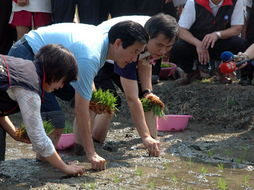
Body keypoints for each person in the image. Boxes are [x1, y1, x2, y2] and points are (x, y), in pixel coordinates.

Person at [8, 21, 149, 171]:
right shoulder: (91, 55)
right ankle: (46, 165)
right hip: (28, 55)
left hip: (55, 62)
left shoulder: (103, 45)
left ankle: (78, 150)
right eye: (135, 51)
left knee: (92, 103)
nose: (135, 59)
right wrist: (92, 154)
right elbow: (81, 111)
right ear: (118, 43)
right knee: (55, 120)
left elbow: (86, 98)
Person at [92, 14, 178, 146]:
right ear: (147, 36)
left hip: (124, 56)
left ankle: (154, 140)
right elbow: (131, 98)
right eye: (160, 45)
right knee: (109, 100)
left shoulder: (157, 37)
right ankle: (95, 142)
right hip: (100, 57)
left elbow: (146, 61)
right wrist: (144, 137)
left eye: (168, 47)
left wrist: (147, 91)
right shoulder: (133, 45)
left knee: (148, 99)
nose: (163, 51)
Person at [0, 44, 85, 176]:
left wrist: (14, 133)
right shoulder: (29, 86)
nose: (62, 86)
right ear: (56, 73)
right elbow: (38, 138)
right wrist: (65, 168)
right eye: (64, 81)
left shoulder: (25, 67)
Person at [170, 0, 246, 85]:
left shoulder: (236, 1)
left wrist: (217, 34)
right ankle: (189, 72)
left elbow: (237, 28)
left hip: (219, 41)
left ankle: (223, 71)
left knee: (239, 43)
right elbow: (181, 30)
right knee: (178, 47)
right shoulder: (193, 2)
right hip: (196, 43)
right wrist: (198, 44)